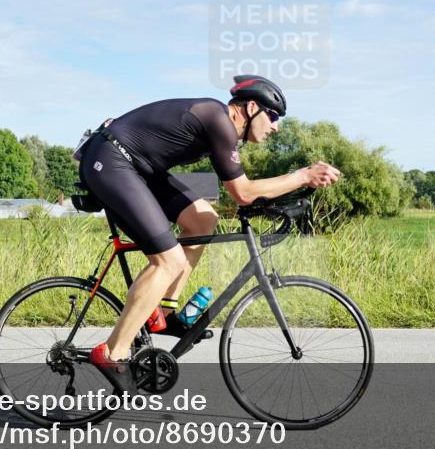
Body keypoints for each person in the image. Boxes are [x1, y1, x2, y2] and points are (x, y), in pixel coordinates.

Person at [78, 75, 341, 391]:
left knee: (204, 219)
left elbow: (244, 193)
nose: (276, 126)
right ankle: (112, 352)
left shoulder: (222, 128)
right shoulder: (218, 119)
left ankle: (161, 310)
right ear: (252, 107)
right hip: (112, 161)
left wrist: (286, 199)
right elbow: (243, 192)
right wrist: (302, 176)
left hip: (139, 167)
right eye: (273, 116)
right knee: (167, 261)